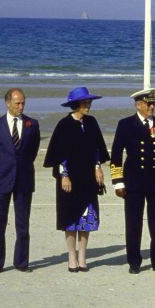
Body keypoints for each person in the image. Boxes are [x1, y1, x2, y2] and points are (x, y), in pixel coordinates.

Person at [43, 86, 109, 272]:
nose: (88, 105)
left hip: (88, 179)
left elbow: (97, 148)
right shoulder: (63, 125)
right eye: (85, 102)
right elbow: (58, 154)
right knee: (70, 219)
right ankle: (71, 257)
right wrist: (63, 176)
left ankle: (82, 257)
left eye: (89, 102)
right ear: (76, 104)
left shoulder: (92, 122)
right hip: (69, 180)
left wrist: (98, 167)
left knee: (86, 219)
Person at [110, 87, 155, 274]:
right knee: (134, 223)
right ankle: (134, 262)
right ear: (138, 105)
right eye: (148, 104)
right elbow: (116, 154)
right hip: (134, 182)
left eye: (153, 103)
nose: (152, 106)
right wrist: (118, 182)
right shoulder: (126, 124)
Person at [0, 88, 41, 273]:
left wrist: (21, 166)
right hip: (1, 179)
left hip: (24, 179)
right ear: (7, 103)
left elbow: (33, 151)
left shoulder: (32, 124)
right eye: (17, 103)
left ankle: (21, 262)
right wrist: (6, 167)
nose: (21, 106)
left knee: (23, 224)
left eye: (23, 102)